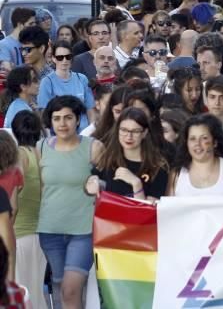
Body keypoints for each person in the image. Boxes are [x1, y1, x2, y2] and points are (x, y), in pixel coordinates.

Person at [36, 96, 104, 309]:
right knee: (60, 287)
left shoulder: (94, 147)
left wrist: (99, 183)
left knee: (70, 288)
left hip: (83, 230)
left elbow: (107, 183)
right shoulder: (41, 147)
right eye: (56, 118)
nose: (62, 124)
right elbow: (42, 188)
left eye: (68, 117)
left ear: (77, 120)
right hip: (50, 230)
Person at [166, 114, 223, 206]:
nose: (197, 144)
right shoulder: (176, 175)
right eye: (192, 139)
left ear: (215, 142)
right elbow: (168, 212)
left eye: (204, 138)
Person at [84, 107, 169, 200]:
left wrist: (136, 184)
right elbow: (90, 184)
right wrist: (93, 182)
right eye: (124, 130)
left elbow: (148, 212)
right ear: (117, 130)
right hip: (109, 214)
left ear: (144, 133)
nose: (129, 136)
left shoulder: (158, 167)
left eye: (135, 131)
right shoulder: (109, 158)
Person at [11, 111, 46, 309]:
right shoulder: (41, 154)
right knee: (35, 293)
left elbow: (12, 200)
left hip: (17, 233)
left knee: (19, 294)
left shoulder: (18, 156)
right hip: (39, 234)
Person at [37, 41, 95, 135]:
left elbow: (90, 109)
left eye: (68, 57)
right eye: (60, 57)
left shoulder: (82, 79)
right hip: (59, 135)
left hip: (83, 134)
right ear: (53, 59)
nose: (64, 60)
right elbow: (44, 114)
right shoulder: (47, 82)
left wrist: (91, 132)